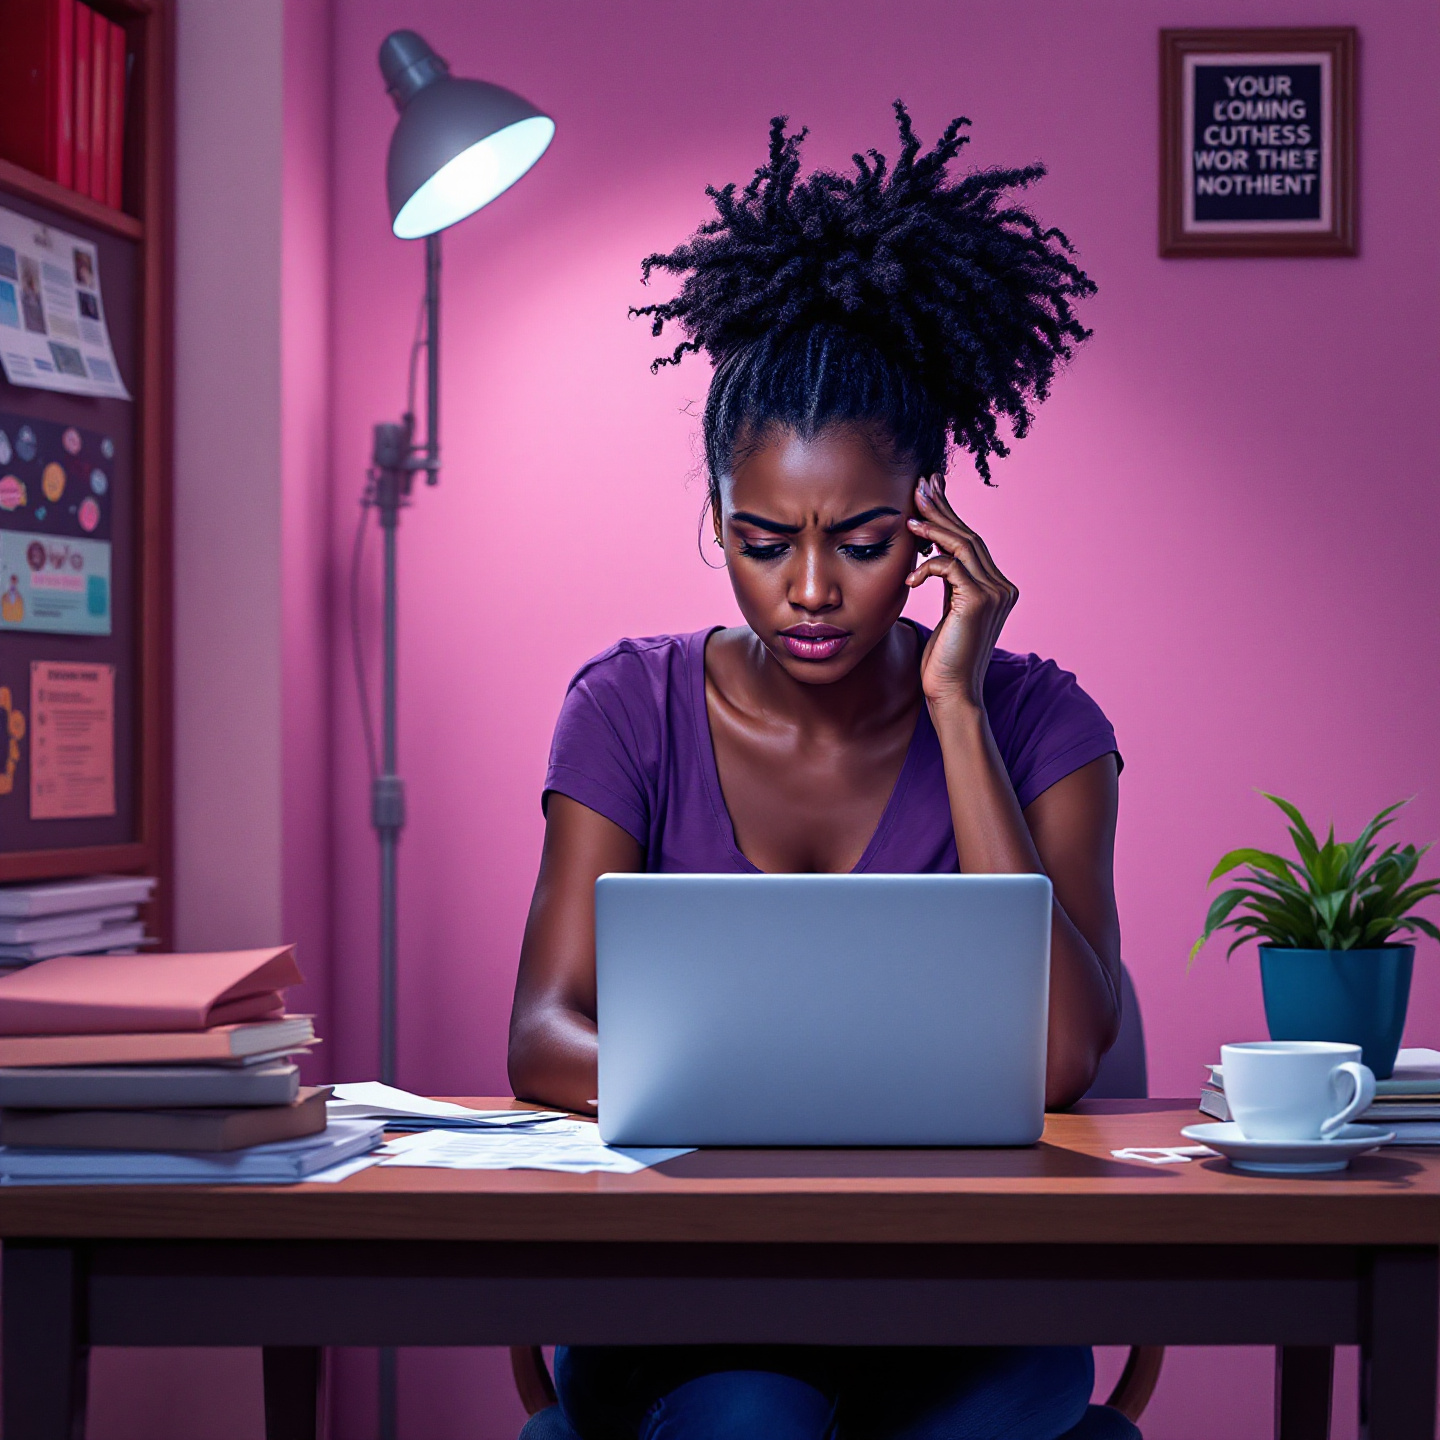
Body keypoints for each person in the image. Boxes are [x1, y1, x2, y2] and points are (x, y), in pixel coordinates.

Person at [509, 105, 1133, 1440]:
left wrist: (955, 705)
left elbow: (1063, 1055)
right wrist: (803, 1106)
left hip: (959, 1294)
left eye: (859, 540)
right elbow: (544, 1031)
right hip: (692, 1289)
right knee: (745, 1418)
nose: (807, 589)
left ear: (931, 523)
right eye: (760, 541)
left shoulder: (1044, 723)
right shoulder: (627, 709)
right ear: (716, 523)